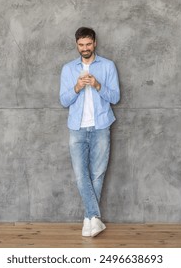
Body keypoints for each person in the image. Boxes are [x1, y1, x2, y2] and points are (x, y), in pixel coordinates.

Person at [59, 27, 120, 237]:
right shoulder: (68, 69)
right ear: (77, 45)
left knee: (97, 173)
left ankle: (88, 220)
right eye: (81, 45)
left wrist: (97, 85)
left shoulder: (108, 66)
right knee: (80, 174)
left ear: (94, 43)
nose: (85, 48)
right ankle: (94, 217)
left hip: (101, 126)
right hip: (77, 127)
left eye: (88, 44)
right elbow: (63, 100)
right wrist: (76, 87)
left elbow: (115, 97)